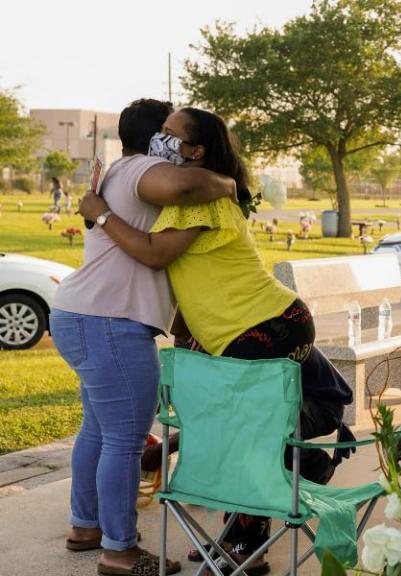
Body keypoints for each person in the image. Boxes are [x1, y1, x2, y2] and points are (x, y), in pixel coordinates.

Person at [79, 107, 354, 576]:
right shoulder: (189, 196)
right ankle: (292, 476)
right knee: (246, 429)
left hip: (266, 324)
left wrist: (100, 213)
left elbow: (153, 254)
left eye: (170, 134)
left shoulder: (199, 200)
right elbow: (192, 280)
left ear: (197, 151)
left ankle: (246, 547)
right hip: (247, 327)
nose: (159, 139)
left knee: (244, 434)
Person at [51, 98, 238, 576]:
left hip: (82, 315)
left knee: (98, 429)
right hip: (110, 322)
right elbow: (188, 183)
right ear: (159, 137)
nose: (173, 140)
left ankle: (86, 526)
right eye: (170, 131)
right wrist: (228, 180)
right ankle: (120, 550)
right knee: (125, 440)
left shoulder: (119, 170)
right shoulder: (146, 171)